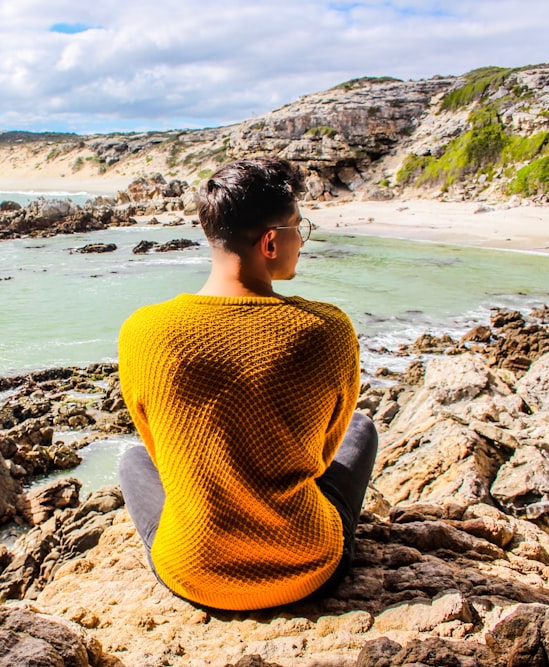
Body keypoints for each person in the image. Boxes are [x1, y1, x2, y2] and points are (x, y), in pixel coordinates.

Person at [117, 157, 378, 611]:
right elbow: (321, 458)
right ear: (272, 242)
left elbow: (158, 448)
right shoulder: (328, 329)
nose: (303, 240)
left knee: (134, 459)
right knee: (361, 428)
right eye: (301, 227)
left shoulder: (144, 332)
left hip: (193, 575)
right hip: (309, 571)